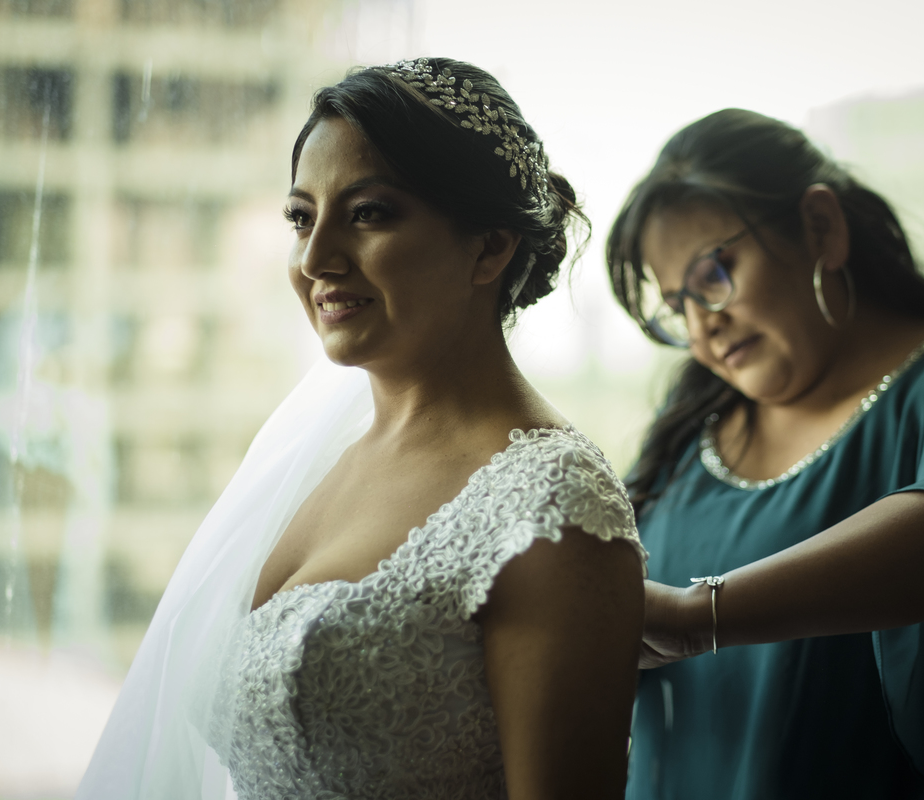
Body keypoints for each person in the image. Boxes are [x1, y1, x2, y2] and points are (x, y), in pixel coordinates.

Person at [78, 58, 646, 800]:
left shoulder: (554, 507)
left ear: (489, 246)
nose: (315, 260)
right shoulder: (310, 459)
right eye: (301, 218)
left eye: (368, 213)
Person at [606, 109, 924, 799]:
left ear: (821, 228)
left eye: (715, 275)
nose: (702, 326)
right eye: (676, 307)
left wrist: (699, 619)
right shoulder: (688, 428)